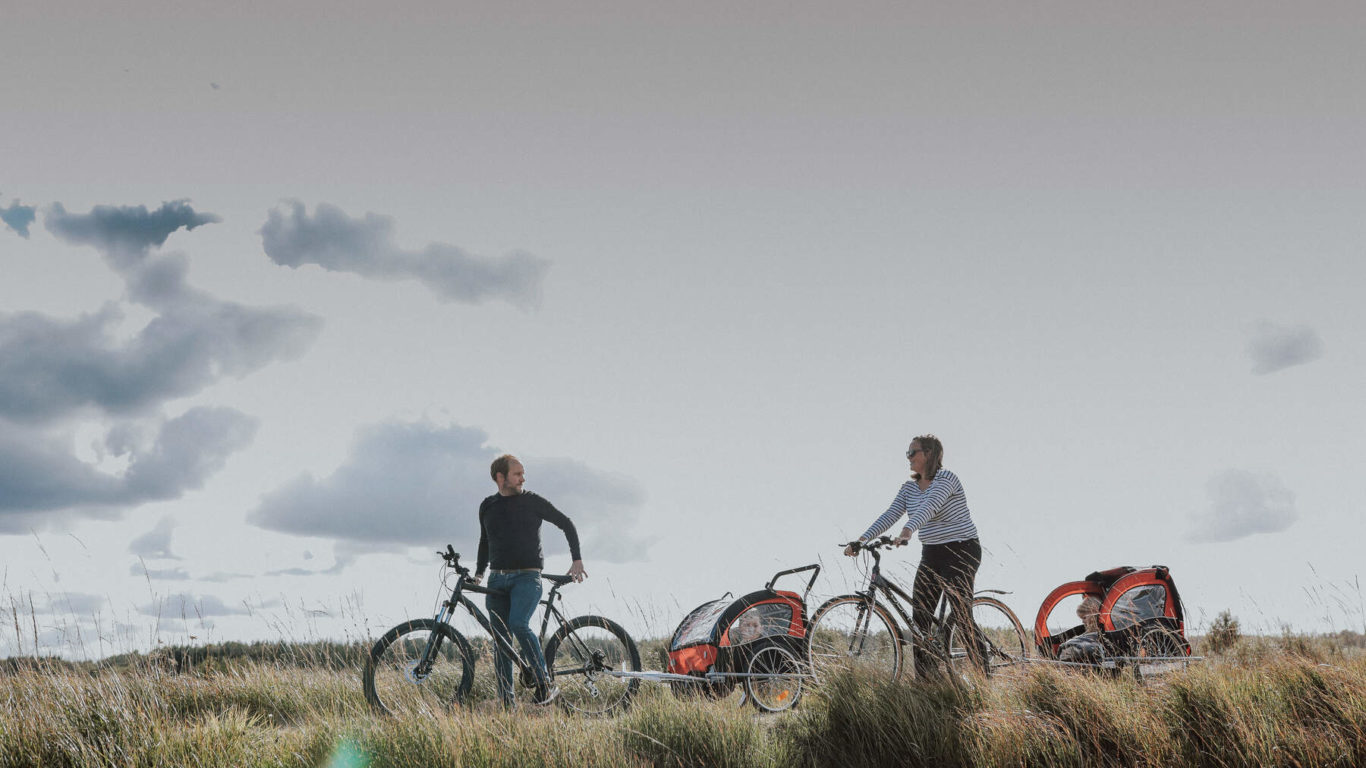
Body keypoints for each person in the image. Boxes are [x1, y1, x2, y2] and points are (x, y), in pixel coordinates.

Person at [845, 434, 986, 676]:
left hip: (962, 549)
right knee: (919, 618)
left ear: (929, 454)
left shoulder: (946, 479)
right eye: (907, 454)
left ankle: (984, 673)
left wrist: (908, 531)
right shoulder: (909, 488)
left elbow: (929, 506)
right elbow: (890, 514)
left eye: (913, 453)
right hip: (932, 553)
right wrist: (861, 540)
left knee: (962, 614)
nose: (908, 458)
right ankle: (927, 681)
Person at [472, 454, 588, 707]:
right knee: (500, 640)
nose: (523, 478)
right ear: (500, 478)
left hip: (527, 577)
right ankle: (507, 704)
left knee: (518, 624)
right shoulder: (487, 506)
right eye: (517, 474)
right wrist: (480, 572)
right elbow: (484, 541)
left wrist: (577, 559)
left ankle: (545, 684)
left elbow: (566, 523)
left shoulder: (531, 501)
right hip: (496, 580)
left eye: (523, 473)